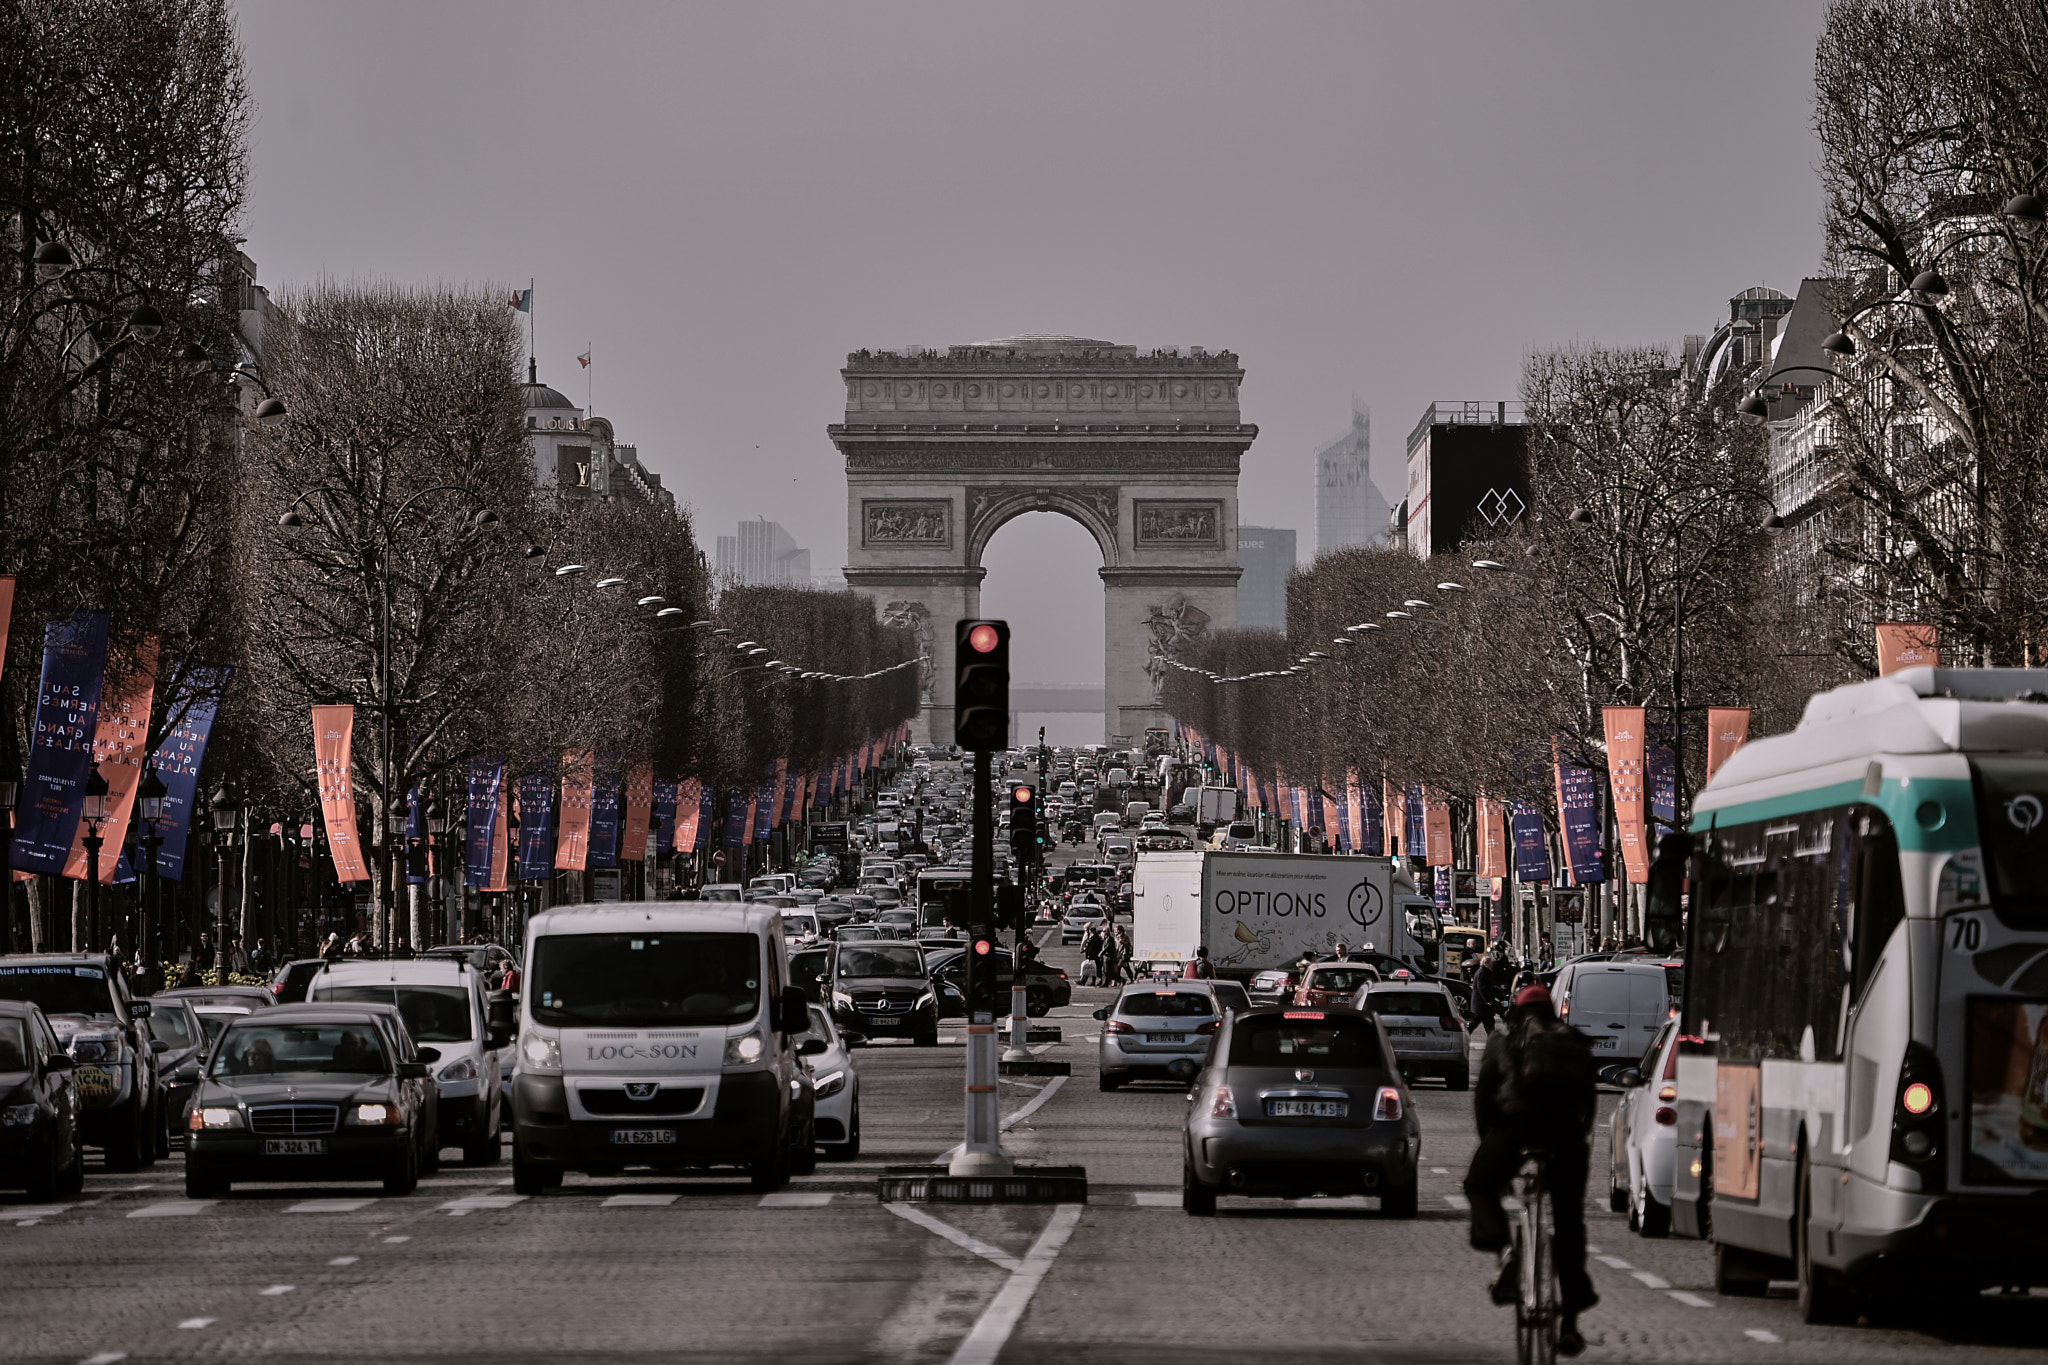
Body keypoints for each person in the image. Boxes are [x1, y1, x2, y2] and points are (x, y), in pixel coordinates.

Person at [1465, 983, 1598, 1357]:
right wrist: (1574, 1142)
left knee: (1478, 1185)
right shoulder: (1572, 1040)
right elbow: (1588, 1103)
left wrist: (1493, 1152)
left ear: (1517, 1010)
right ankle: (1570, 1322)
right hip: (1566, 1135)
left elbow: (1484, 1100)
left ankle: (1506, 1252)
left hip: (1516, 1127)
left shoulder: (1504, 1040)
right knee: (1569, 1222)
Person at [1471, 945, 1512, 1034]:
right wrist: (1487, 1000)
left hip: (1483, 1005)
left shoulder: (1484, 972)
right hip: (1481, 1004)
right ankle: (1465, 1035)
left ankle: (1492, 1040)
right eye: (1490, 963)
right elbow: (1481, 987)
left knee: (1488, 1023)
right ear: (1486, 963)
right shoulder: (1482, 972)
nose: (1492, 964)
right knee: (1476, 1023)